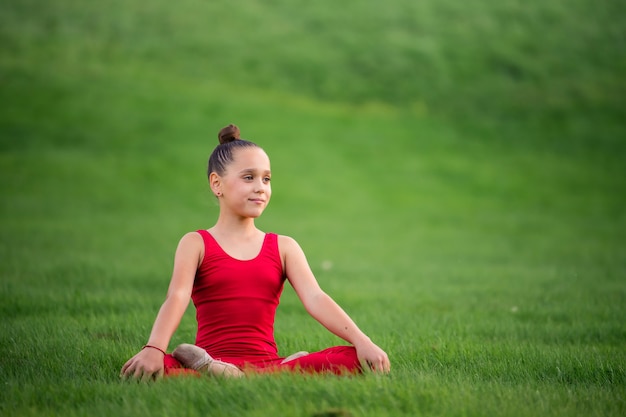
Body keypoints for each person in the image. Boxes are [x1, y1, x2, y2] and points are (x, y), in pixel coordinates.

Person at [120, 124, 390, 381]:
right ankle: (238, 371)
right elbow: (176, 297)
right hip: (211, 355)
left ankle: (227, 375)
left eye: (266, 178)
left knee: (353, 357)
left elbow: (316, 298)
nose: (260, 187)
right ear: (217, 184)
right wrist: (154, 348)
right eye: (249, 177)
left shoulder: (283, 247)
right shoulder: (196, 243)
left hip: (265, 362)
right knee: (154, 368)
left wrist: (362, 341)